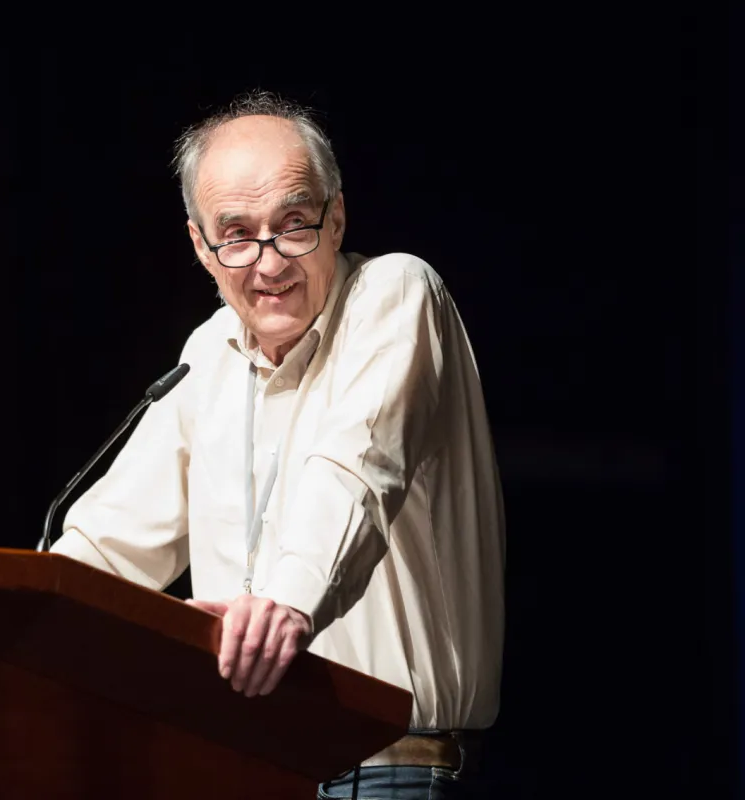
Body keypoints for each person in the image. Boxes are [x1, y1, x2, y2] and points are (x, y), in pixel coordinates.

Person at [49, 91, 505, 799]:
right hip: (237, 767)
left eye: (294, 226)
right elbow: (108, 547)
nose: (269, 264)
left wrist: (287, 604)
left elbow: (358, 469)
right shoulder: (209, 353)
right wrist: (18, 622)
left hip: (387, 770)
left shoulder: (394, 293)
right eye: (236, 235)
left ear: (337, 217)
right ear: (200, 246)